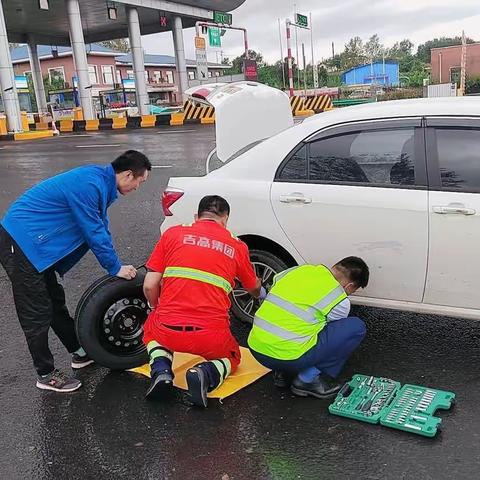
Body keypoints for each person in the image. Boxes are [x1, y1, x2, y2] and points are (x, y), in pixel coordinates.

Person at [0, 150, 151, 393]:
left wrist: (116, 263)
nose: (137, 188)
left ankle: (79, 352)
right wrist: (114, 267)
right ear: (128, 175)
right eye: (139, 182)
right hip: (21, 241)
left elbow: (100, 227)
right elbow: (93, 231)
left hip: (37, 246)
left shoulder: (99, 183)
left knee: (55, 301)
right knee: (36, 311)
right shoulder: (90, 185)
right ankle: (46, 374)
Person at [142, 195, 263, 408]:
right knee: (233, 356)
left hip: (168, 327)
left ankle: (161, 371)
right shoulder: (237, 246)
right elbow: (253, 287)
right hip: (210, 335)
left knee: (152, 332)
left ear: (196, 217)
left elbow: (150, 285)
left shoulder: (173, 234)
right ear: (225, 219)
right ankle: (204, 373)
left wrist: (156, 309)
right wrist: (260, 294)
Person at [248, 257, 369, 399]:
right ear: (349, 286)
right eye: (353, 291)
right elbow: (328, 335)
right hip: (287, 357)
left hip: (255, 347)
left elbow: (273, 294)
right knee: (356, 327)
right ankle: (307, 380)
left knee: (296, 325)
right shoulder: (339, 299)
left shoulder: (299, 270)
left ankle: (282, 373)